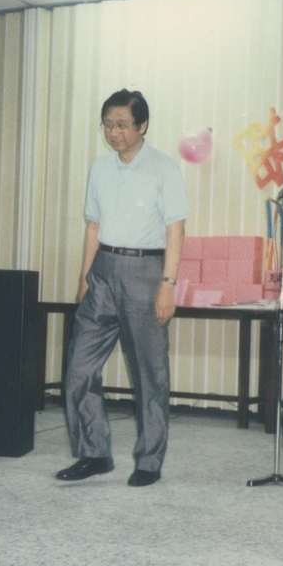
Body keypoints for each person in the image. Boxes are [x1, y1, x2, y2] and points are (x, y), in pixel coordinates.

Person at [57, 89, 188, 487]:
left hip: (145, 271)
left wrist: (167, 286)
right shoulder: (100, 168)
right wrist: (84, 276)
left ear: (142, 125)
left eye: (122, 125)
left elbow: (176, 230)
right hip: (102, 271)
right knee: (79, 368)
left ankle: (148, 461)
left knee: (149, 373)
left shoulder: (164, 169)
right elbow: (93, 225)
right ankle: (94, 453)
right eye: (108, 125)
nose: (114, 133)